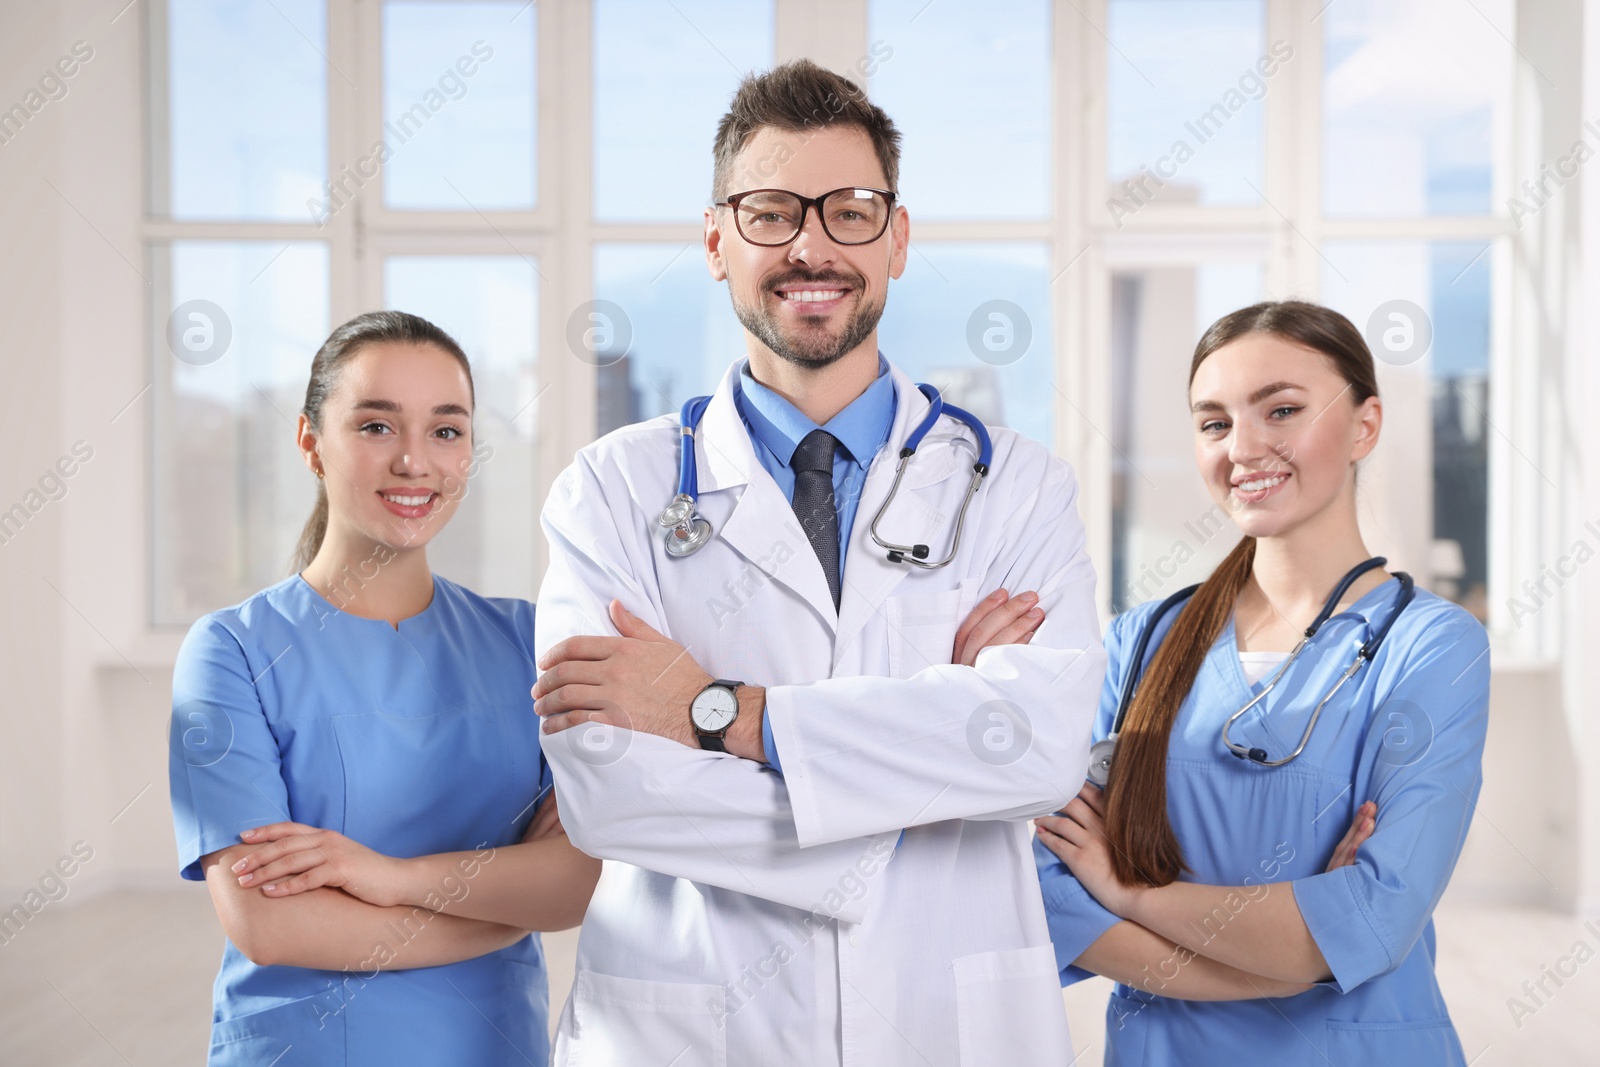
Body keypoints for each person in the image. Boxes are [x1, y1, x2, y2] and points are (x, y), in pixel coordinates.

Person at [529, 60, 1107, 1066]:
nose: (809, 245)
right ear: (716, 241)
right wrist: (929, 778)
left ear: (896, 239)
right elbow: (608, 792)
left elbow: (1039, 749)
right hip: (693, 1029)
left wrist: (717, 710)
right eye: (768, 212)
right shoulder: (612, 487)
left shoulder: (1017, 486)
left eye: (848, 210)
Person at [1034, 300, 1491, 1064]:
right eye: (1214, 423)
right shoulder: (1139, 643)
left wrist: (1130, 892)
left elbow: (1370, 918)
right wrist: (1274, 964)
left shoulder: (1432, 648)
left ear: (1365, 425)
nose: (1243, 446)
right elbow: (1052, 890)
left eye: (1281, 410)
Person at [168, 310, 600, 1066]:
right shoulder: (232, 650)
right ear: (310, 442)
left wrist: (383, 876)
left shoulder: (526, 643)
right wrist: (501, 910)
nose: (414, 461)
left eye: (446, 430)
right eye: (375, 426)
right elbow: (271, 926)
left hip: (492, 1044)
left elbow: (577, 879)